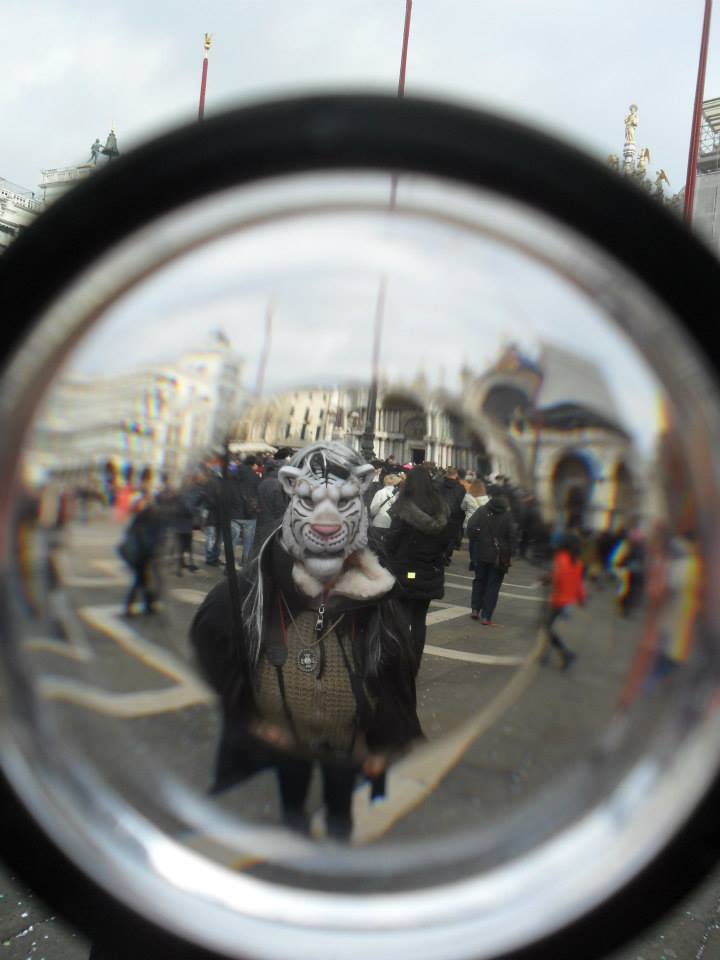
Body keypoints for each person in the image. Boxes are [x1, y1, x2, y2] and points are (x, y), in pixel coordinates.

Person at [190, 442, 421, 840]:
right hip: (286, 739)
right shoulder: (250, 590)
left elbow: (394, 674)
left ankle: (334, 853)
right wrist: (249, 717)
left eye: (346, 500)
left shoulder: (379, 597)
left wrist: (385, 741)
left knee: (339, 813)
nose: (326, 522)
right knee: (292, 807)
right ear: (291, 493)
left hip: (348, 743)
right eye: (308, 501)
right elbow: (211, 652)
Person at [383, 466, 452, 673]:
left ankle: (401, 662)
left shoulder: (403, 508)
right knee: (419, 619)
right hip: (429, 570)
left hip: (405, 569)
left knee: (401, 617)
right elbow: (446, 543)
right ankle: (415, 663)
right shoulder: (440, 508)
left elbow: (392, 540)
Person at [466, 484, 517, 625]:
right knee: (493, 585)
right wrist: (510, 552)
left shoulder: (482, 510)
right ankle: (486, 616)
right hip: (499, 556)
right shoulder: (507, 515)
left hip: (481, 551)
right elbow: (513, 536)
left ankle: (475, 608)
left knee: (479, 580)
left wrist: (475, 539)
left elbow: (470, 527)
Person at [542, 533, 586, 669]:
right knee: (552, 628)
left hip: (558, 600)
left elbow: (557, 578)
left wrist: (547, 579)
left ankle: (566, 654)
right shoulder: (578, 562)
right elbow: (579, 583)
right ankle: (547, 655)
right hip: (569, 603)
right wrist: (582, 598)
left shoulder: (561, 558)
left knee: (548, 627)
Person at [251, 460, 287, 559]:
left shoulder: (263, 482)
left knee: (258, 545)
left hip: (261, 518)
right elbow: (279, 507)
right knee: (268, 547)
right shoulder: (279, 485)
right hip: (273, 521)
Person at [433, 466, 466, 565]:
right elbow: (462, 503)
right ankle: (446, 556)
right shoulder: (460, 488)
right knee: (451, 538)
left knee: (439, 536)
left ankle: (439, 554)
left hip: (440, 514)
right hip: (454, 516)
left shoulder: (438, 485)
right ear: (455, 475)